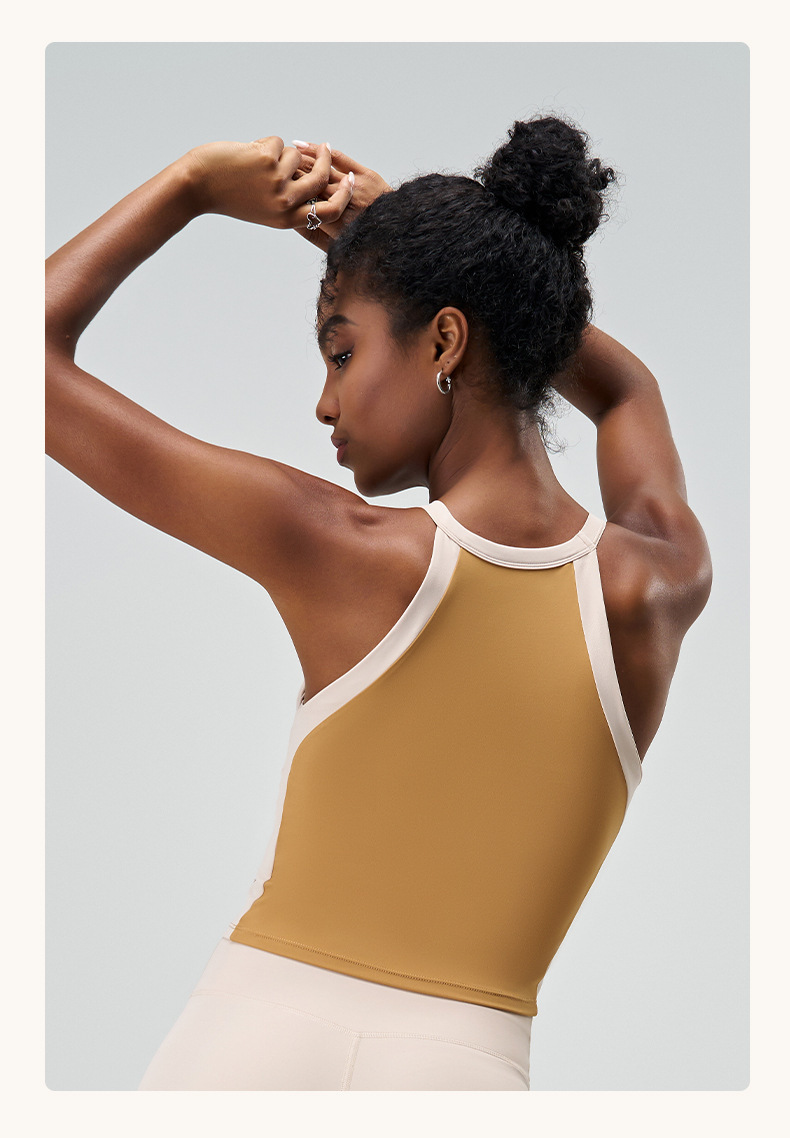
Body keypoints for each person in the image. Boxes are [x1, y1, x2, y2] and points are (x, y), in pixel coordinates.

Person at [45, 116, 713, 1091]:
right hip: (465, 1071)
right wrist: (458, 255)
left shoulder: (337, 545)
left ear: (444, 338)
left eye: (341, 352)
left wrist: (191, 185)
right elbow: (628, 393)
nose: (325, 402)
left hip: (250, 1044)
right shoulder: (654, 583)